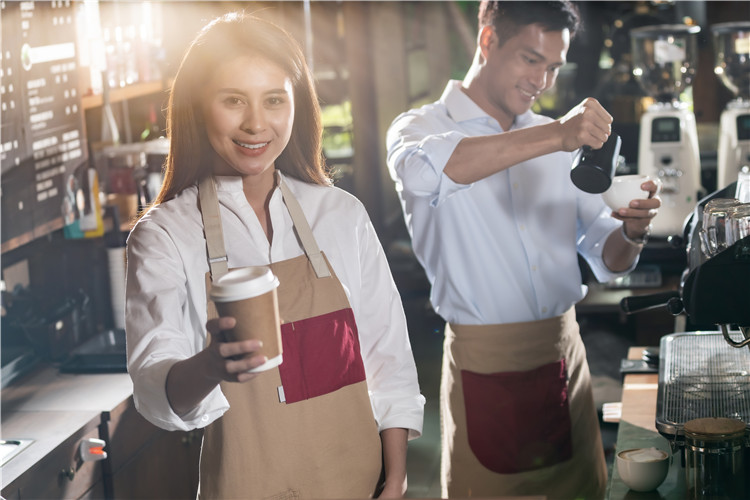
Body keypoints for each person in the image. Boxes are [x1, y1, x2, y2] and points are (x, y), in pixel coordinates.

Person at [126, 12, 424, 499]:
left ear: (297, 105)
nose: (256, 123)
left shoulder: (341, 215)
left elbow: (388, 359)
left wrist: (395, 481)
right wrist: (210, 366)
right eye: (233, 100)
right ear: (199, 108)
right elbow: (154, 393)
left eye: (273, 99)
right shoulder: (164, 237)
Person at [385, 2, 660, 499]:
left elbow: (606, 255)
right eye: (531, 59)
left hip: (564, 357)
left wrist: (633, 232)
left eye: (553, 67)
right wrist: (556, 135)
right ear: (487, 41)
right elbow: (435, 171)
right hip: (485, 367)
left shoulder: (561, 141)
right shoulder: (418, 129)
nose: (543, 80)